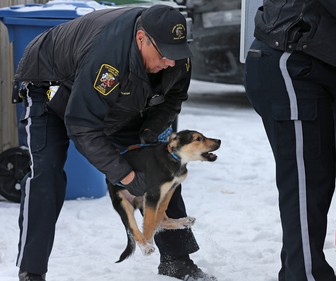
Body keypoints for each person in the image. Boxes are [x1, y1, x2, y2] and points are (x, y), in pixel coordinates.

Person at [13, 5, 216, 281]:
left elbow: (173, 99)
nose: (171, 62)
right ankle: (31, 271)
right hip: (50, 87)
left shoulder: (176, 57)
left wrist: (147, 135)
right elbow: (82, 125)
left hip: (109, 98)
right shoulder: (108, 60)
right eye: (165, 54)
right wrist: (127, 175)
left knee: (161, 163)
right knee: (46, 177)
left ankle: (177, 261)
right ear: (142, 38)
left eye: (177, 54)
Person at [244, 1, 336, 281]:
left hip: (300, 68)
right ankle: (305, 275)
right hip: (290, 67)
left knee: (314, 181)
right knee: (306, 184)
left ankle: (299, 271)